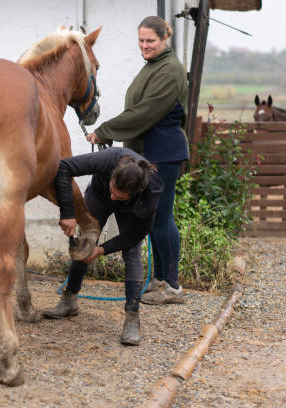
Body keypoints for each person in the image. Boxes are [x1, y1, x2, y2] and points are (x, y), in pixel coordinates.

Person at [85, 16, 189, 304]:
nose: (144, 45)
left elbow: (146, 112)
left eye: (150, 41)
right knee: (156, 218)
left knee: (162, 219)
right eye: (141, 41)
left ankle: (172, 286)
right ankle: (158, 279)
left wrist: (105, 130)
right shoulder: (154, 66)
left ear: (164, 39)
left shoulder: (170, 71)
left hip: (163, 154)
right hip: (149, 153)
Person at [44, 147, 163, 346]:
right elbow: (63, 167)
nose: (113, 197)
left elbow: (134, 235)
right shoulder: (108, 159)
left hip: (131, 210)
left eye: (119, 195)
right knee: (86, 242)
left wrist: (102, 250)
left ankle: (132, 318)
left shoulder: (150, 193)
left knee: (132, 252)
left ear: (137, 192)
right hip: (98, 195)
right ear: (113, 174)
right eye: (113, 189)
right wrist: (68, 213)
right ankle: (69, 300)